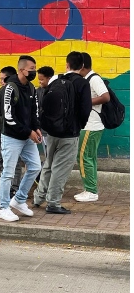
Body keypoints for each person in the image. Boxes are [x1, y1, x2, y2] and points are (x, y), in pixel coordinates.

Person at [33, 52, 92, 214]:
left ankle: (38, 198)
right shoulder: (82, 83)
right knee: (61, 168)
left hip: (51, 132)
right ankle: (53, 203)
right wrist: (78, 125)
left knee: (48, 164)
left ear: (67, 65)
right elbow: (86, 108)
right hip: (69, 134)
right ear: (81, 67)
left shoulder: (56, 81)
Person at [0, 55, 42, 222]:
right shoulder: (10, 88)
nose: (34, 73)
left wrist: (36, 128)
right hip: (12, 137)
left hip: (27, 136)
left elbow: (34, 112)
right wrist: (28, 132)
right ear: (21, 70)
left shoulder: (31, 88)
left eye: (34, 70)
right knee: (8, 173)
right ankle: (3, 207)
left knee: (35, 167)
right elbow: (9, 117)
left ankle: (19, 200)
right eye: (31, 70)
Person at [74, 52, 110, 202]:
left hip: (91, 125)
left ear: (82, 65)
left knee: (83, 157)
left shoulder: (94, 78)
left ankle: (91, 191)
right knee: (90, 157)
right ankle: (90, 188)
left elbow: (105, 97)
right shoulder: (88, 78)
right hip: (91, 125)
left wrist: (85, 102)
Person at [0, 66, 22, 191]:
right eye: (0, 79)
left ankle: (14, 187)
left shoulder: (17, 92)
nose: (1, 82)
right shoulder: (1, 92)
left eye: (3, 79)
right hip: (2, 132)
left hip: (14, 133)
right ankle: (7, 182)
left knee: (15, 162)